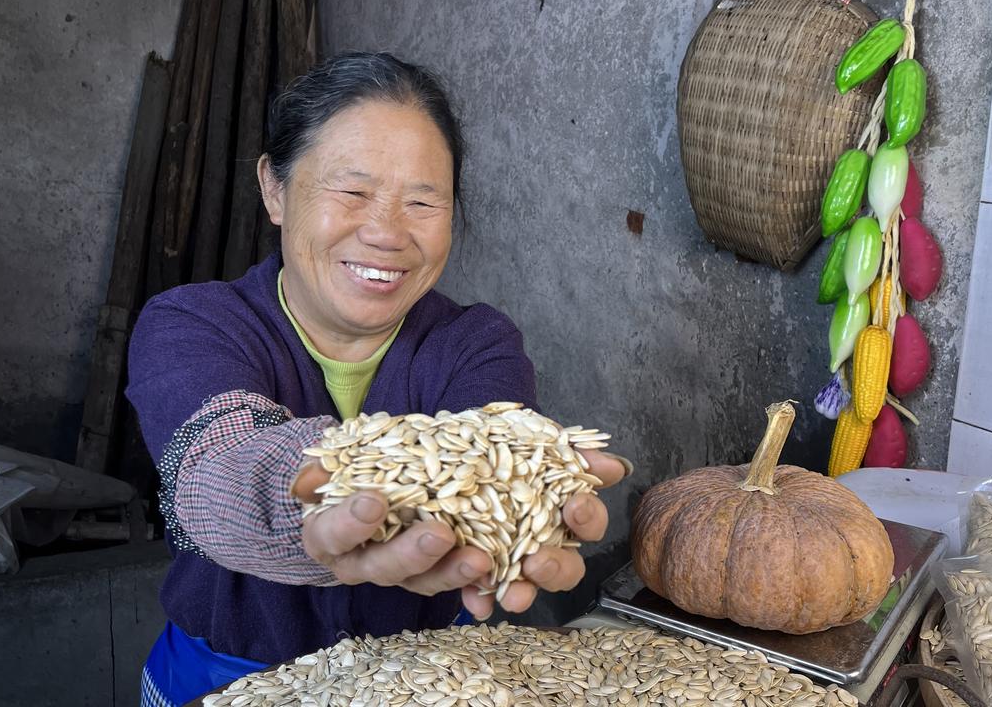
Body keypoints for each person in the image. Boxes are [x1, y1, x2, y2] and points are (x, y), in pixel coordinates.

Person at [126, 52, 627, 707]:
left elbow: (492, 458)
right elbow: (217, 463)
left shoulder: (476, 344)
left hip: (423, 685)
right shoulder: (193, 324)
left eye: (422, 201)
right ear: (274, 188)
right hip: (218, 683)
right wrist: (332, 495)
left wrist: (519, 501)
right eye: (352, 192)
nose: (387, 233)